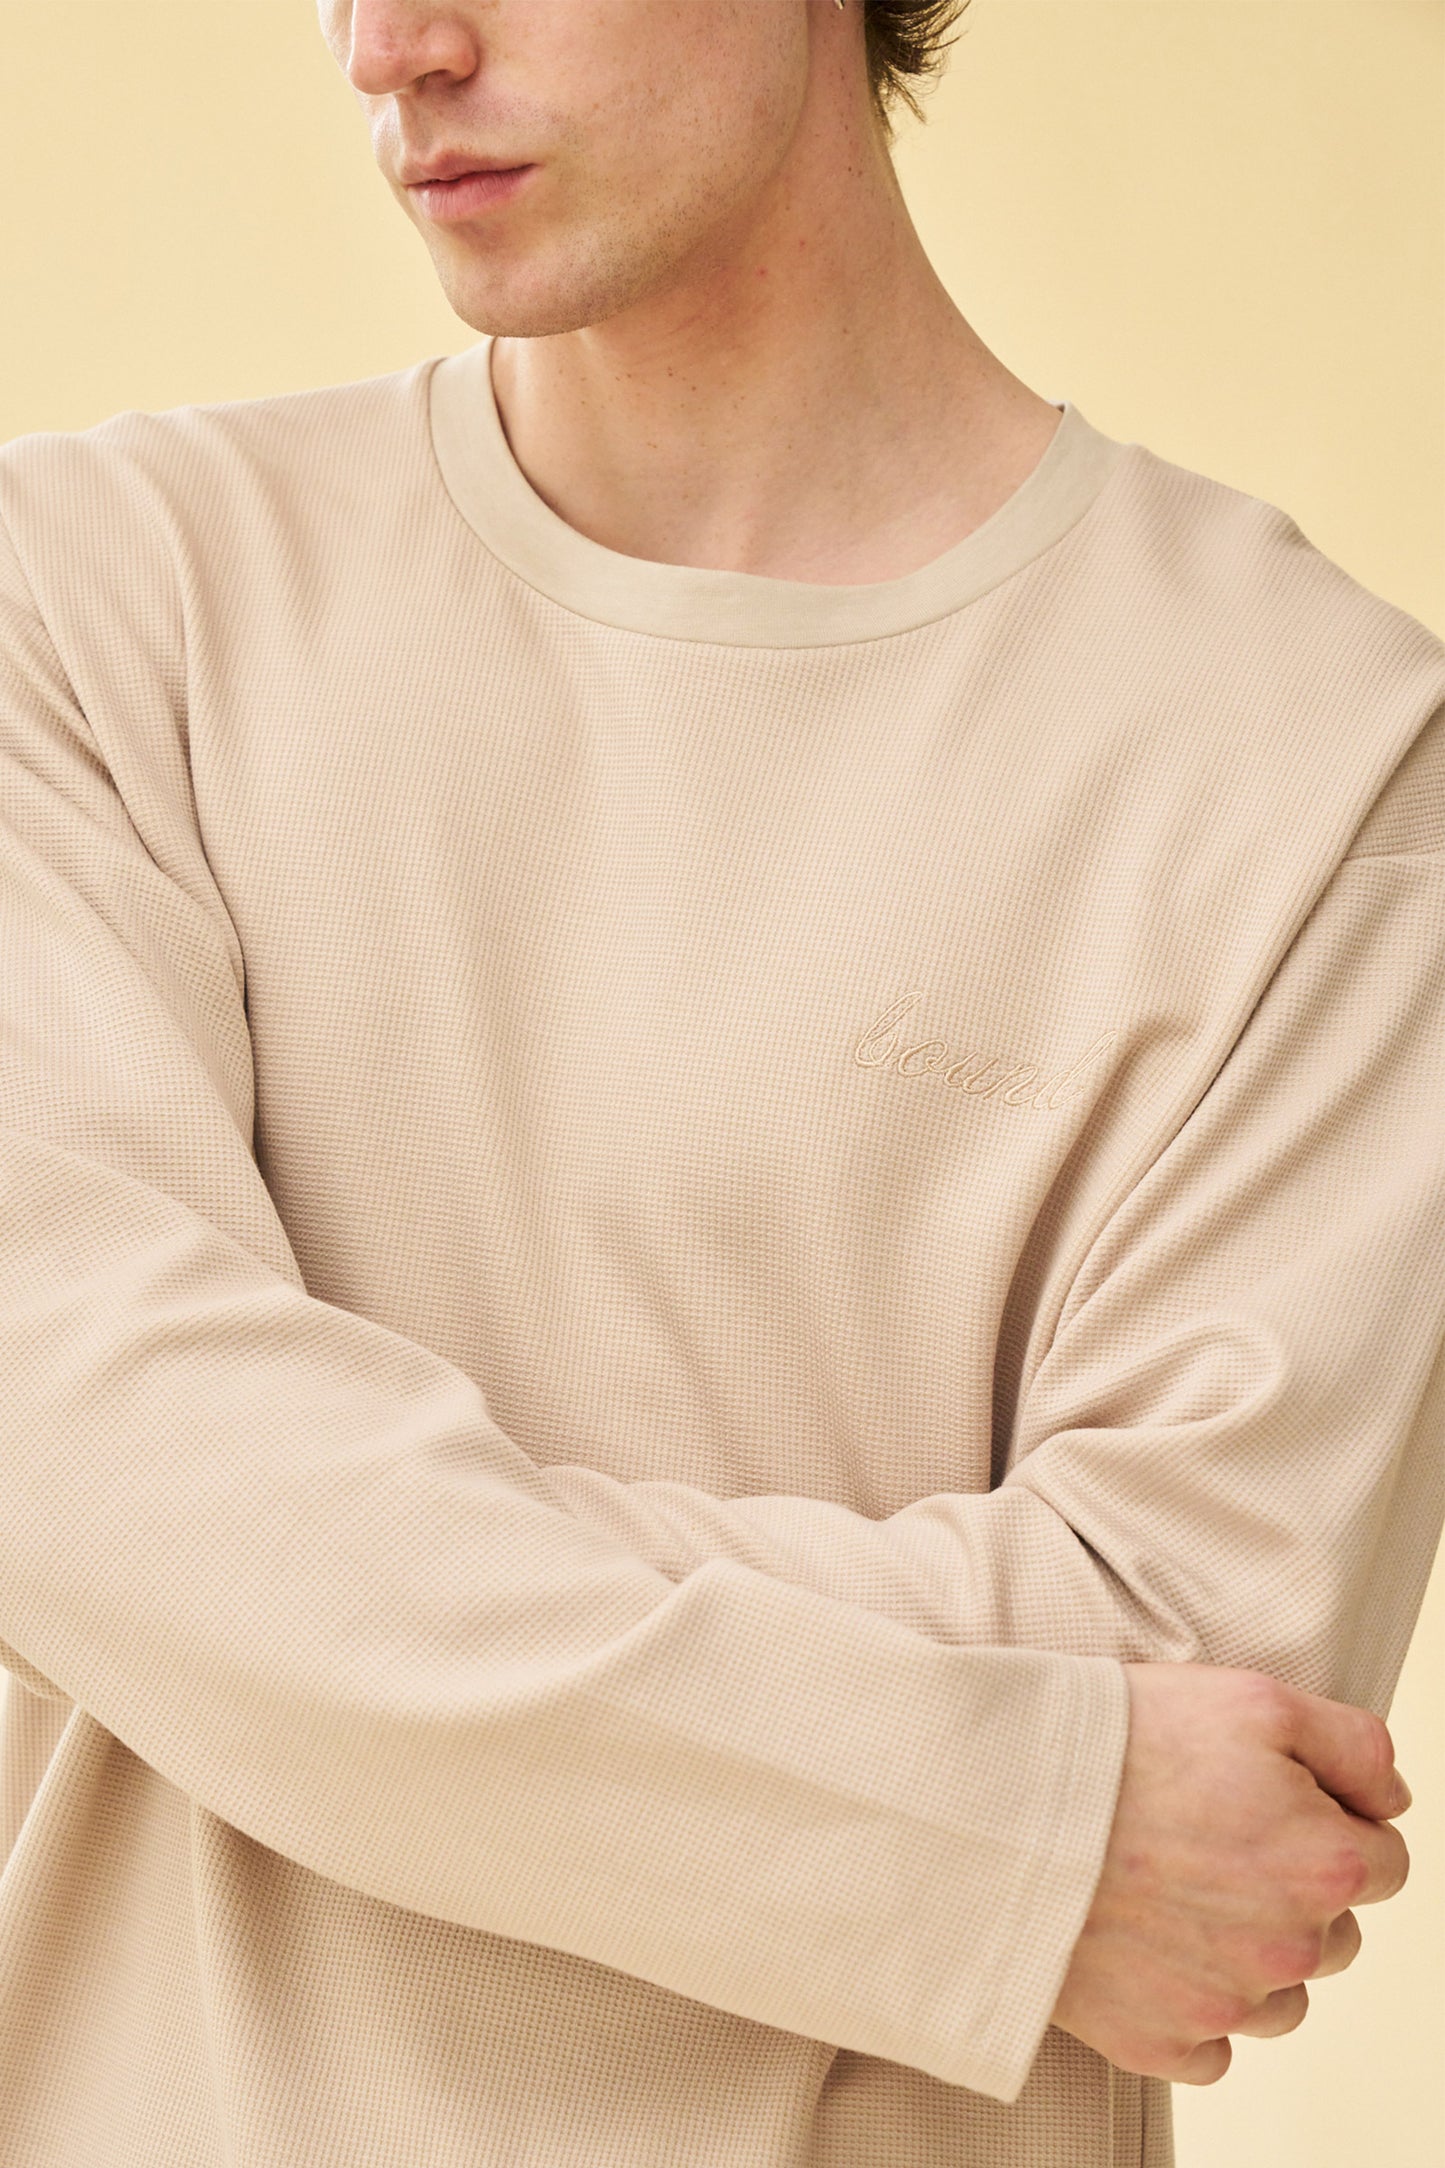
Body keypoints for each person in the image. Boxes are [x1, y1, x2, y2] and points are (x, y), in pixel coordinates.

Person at [0, 1, 1437, 2162]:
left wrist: (280, 1591)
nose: (388, 45)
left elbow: (1210, 1689)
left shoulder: (1315, 764)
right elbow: (79, 1458)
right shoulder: (84, 601)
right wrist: (1004, 1820)